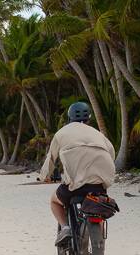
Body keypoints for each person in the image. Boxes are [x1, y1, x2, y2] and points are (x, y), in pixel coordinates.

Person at [39, 102, 116, 246]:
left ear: (69, 118)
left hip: (75, 186)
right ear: (89, 119)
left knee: (54, 201)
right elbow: (110, 154)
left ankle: (66, 228)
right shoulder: (98, 134)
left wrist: (45, 176)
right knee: (97, 212)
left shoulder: (61, 133)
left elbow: (51, 158)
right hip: (99, 185)